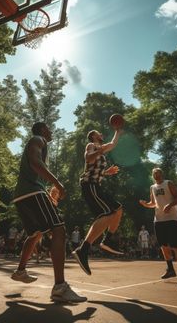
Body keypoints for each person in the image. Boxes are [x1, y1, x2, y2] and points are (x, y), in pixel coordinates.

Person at [11, 121, 86, 303]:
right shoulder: (38, 139)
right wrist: (57, 183)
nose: (51, 131)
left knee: (35, 234)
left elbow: (34, 166)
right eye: (49, 128)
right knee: (59, 230)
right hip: (32, 191)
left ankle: (20, 271)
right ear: (43, 130)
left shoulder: (38, 142)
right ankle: (60, 287)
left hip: (22, 195)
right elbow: (35, 163)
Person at [72, 128, 123, 275]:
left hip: (95, 186)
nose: (101, 134)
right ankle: (83, 250)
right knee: (107, 213)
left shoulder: (100, 148)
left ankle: (107, 240)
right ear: (93, 136)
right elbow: (88, 159)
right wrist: (100, 151)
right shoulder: (91, 146)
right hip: (89, 185)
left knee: (118, 209)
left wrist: (118, 132)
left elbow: (112, 144)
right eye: (99, 133)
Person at [139, 167, 177, 287]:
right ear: (152, 176)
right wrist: (146, 204)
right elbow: (153, 203)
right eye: (154, 173)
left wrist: (169, 205)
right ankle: (170, 269)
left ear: (162, 174)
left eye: (158, 173)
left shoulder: (168, 183)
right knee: (163, 246)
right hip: (159, 220)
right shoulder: (152, 187)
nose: (156, 175)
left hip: (172, 219)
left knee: (176, 246)